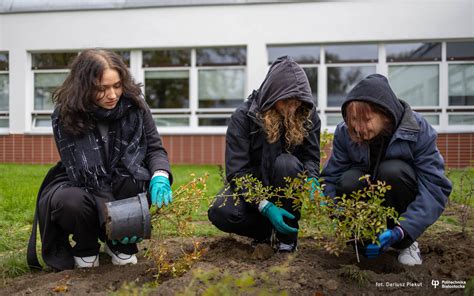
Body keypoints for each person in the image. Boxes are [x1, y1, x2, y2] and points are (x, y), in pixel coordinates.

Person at [27, 49, 173, 271]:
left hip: (121, 178)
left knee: (135, 180)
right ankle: (86, 245)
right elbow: (88, 175)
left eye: (117, 85)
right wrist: (117, 222)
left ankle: (119, 245)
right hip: (79, 180)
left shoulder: (135, 106)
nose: (112, 95)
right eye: (102, 89)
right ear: (84, 87)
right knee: (71, 202)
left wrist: (160, 175)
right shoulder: (67, 114)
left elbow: (154, 149)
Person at [321, 74, 452, 266]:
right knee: (349, 179)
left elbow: (435, 187)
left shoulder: (418, 129)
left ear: (385, 113)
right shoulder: (345, 132)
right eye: (353, 120)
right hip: (364, 201)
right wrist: (335, 209)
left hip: (400, 191)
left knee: (392, 171)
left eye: (366, 119)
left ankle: (406, 243)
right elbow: (330, 178)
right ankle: (363, 241)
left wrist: (403, 230)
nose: (358, 128)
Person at [208, 56, 321, 252]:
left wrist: (311, 177)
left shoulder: (306, 116)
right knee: (222, 211)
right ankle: (265, 232)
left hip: (286, 181)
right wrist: (264, 205)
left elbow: (310, 157)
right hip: (253, 183)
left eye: (297, 102)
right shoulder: (243, 118)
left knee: (287, 163)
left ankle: (287, 238)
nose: (292, 108)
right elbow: (237, 172)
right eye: (287, 101)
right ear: (273, 94)